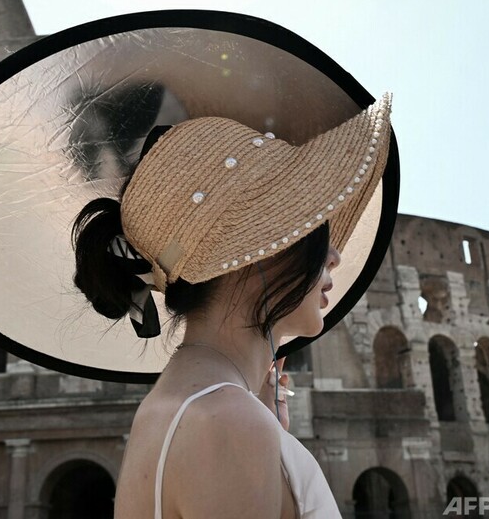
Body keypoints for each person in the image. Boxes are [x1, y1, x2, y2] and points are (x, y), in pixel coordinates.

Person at [72, 100, 392, 517]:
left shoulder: (179, 407)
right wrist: (253, 429)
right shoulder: (227, 421)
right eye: (313, 225)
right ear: (255, 254)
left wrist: (266, 428)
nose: (334, 256)